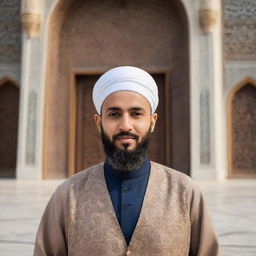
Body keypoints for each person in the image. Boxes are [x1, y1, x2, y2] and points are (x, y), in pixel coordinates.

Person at [34, 66, 220, 256]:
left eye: (136, 114)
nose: (125, 125)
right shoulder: (68, 195)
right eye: (114, 114)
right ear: (99, 123)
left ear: (152, 121)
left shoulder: (185, 192)